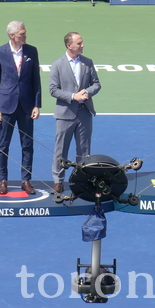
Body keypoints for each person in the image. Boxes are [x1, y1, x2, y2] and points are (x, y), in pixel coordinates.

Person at [0, 21, 41, 195]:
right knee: (3, 145)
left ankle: (26, 180)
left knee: (27, 145)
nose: (25, 36)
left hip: (26, 107)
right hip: (6, 107)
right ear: (12, 35)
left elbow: (36, 80)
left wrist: (37, 104)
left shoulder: (32, 51)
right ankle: (2, 180)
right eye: (22, 33)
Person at [50, 32, 101, 193]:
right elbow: (53, 90)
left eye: (82, 42)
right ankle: (58, 181)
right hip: (65, 114)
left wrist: (87, 92)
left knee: (84, 151)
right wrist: (73, 96)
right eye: (79, 43)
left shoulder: (87, 63)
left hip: (84, 113)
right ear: (69, 45)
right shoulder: (57, 65)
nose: (82, 45)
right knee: (61, 150)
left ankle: (81, 180)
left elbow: (97, 84)